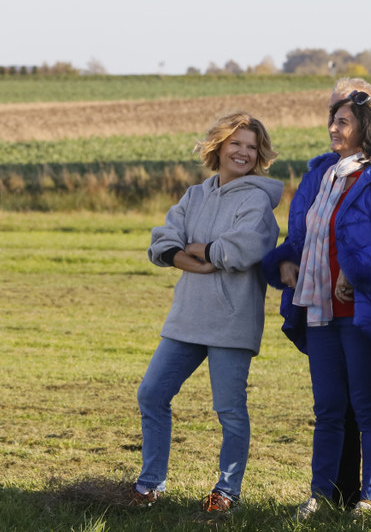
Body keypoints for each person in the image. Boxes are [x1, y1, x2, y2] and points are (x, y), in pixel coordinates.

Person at [263, 89, 371, 519]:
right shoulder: (322, 176)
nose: (333, 128)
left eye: (343, 122)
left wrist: (355, 271)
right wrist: (284, 262)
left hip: (361, 312)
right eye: (332, 120)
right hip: (318, 309)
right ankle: (322, 496)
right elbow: (300, 238)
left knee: (370, 407)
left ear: (364, 130)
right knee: (328, 410)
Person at [134, 111, 282, 513]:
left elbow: (244, 248)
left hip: (232, 321)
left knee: (229, 410)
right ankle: (149, 485)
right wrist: (183, 256)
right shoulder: (194, 196)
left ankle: (226, 492)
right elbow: (164, 240)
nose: (244, 153)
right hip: (187, 317)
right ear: (218, 146)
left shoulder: (257, 201)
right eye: (236, 143)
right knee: (151, 394)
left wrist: (202, 250)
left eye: (252, 147)